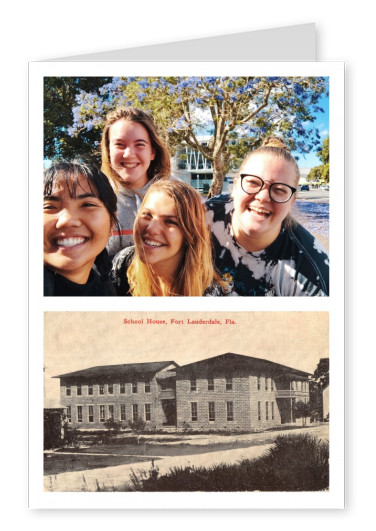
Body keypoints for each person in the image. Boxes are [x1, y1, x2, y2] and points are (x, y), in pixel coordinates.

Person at [206, 137, 329, 296]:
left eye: (279, 189)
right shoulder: (202, 216)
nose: (263, 197)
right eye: (253, 182)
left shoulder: (311, 274)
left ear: (292, 201)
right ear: (235, 186)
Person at [111, 180, 224, 296]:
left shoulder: (209, 294)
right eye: (147, 215)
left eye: (170, 222)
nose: (151, 229)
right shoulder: (122, 264)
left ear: (190, 234)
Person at [101, 106, 171, 257]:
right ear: (108, 151)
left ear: (152, 152)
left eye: (139, 144)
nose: (129, 154)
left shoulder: (176, 197)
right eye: (119, 144)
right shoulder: (96, 200)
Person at [43, 158, 119, 296]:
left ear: (112, 223)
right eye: (49, 207)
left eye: (87, 205)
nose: (67, 220)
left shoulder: (107, 291)